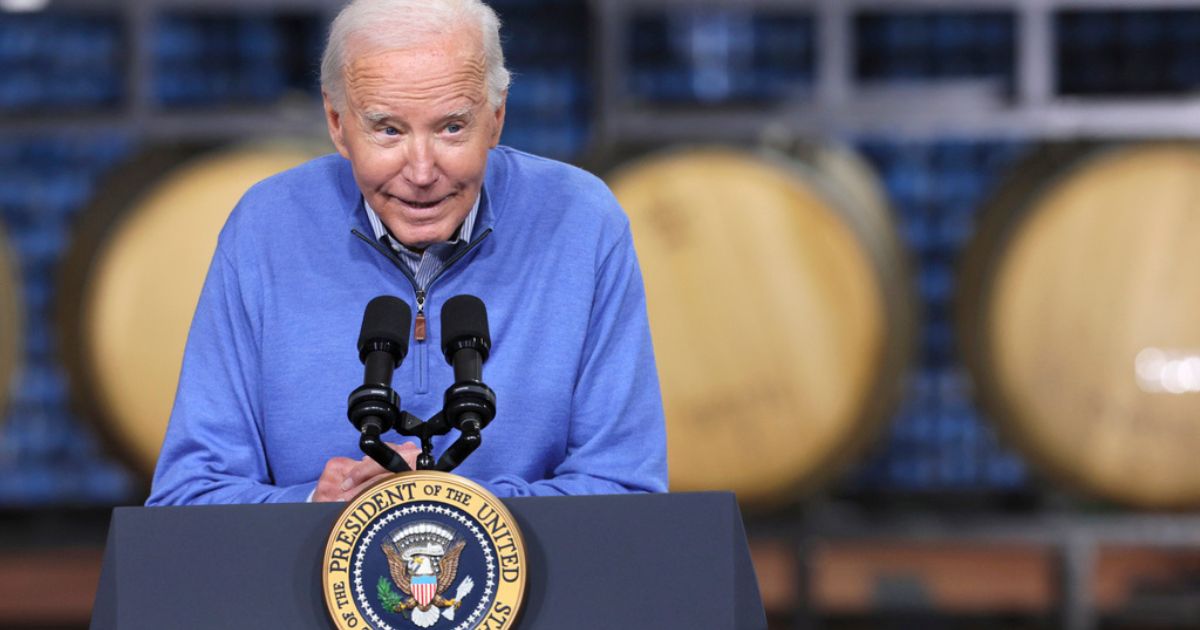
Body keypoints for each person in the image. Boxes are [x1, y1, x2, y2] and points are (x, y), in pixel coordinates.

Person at [145, 0, 667, 505]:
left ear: (497, 117)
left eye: (451, 128)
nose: (420, 172)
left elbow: (626, 489)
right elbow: (190, 497)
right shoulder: (264, 227)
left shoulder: (582, 220)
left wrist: (441, 505)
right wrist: (316, 507)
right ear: (336, 123)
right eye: (388, 130)